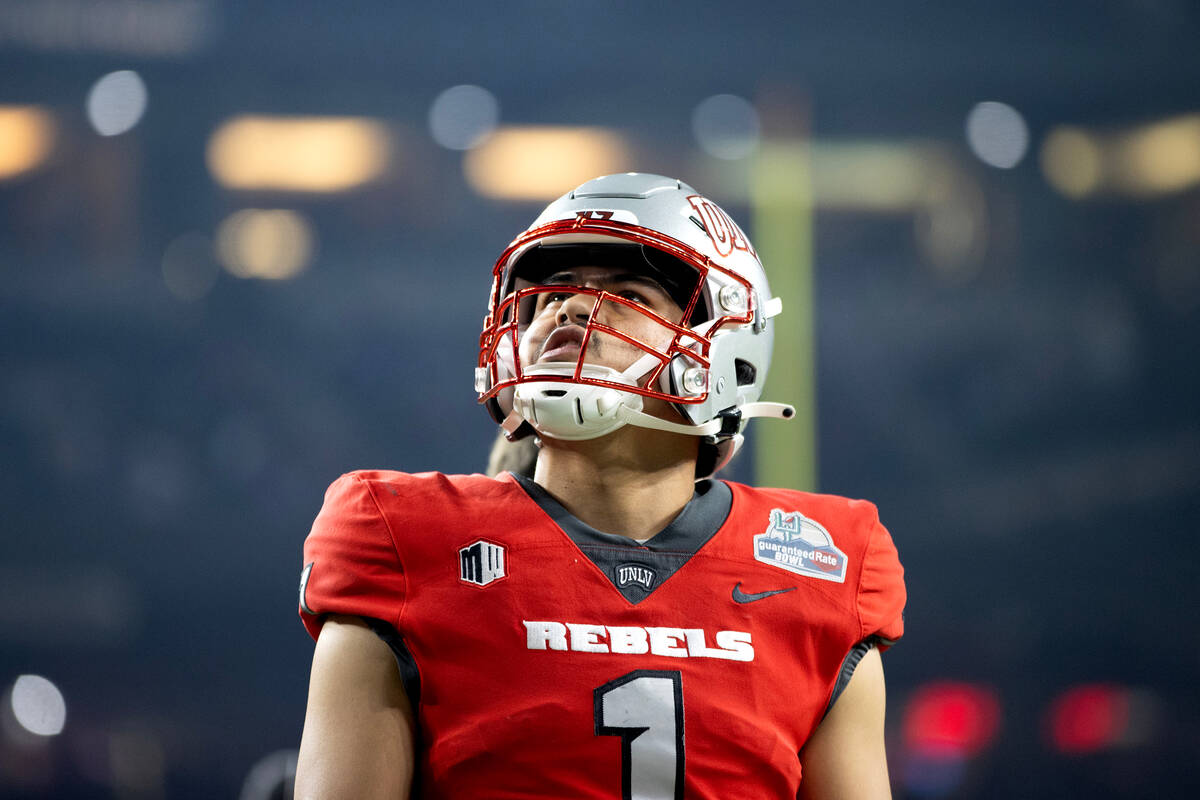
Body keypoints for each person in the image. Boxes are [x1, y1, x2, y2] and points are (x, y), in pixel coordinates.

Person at [295, 173, 906, 799]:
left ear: (723, 347)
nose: (573, 306)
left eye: (629, 291)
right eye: (551, 292)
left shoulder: (824, 570)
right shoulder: (402, 538)